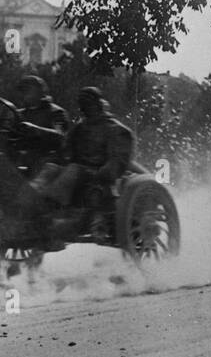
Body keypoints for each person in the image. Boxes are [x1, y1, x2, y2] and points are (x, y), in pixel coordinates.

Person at [27, 88, 134, 243]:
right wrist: (54, 160)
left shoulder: (116, 129)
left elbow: (118, 161)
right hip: (79, 172)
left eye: (88, 104)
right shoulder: (80, 128)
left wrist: (102, 174)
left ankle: (52, 206)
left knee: (73, 170)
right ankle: (33, 195)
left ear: (98, 105)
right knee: (51, 167)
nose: (85, 108)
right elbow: (65, 151)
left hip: (99, 175)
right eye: (82, 104)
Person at [12, 75, 69, 174]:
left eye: (28, 90)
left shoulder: (56, 112)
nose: (24, 93)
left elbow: (60, 136)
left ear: (40, 91)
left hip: (48, 158)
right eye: (22, 90)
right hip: (24, 157)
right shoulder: (19, 114)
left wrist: (35, 129)